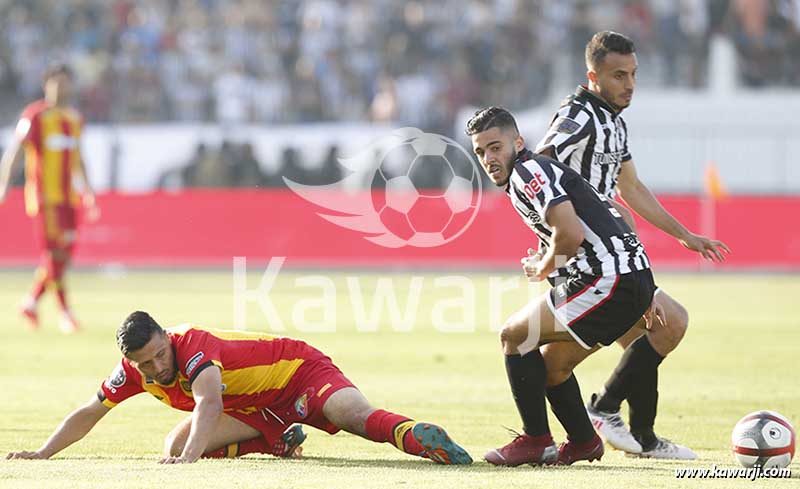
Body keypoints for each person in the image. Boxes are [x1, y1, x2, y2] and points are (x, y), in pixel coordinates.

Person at [535, 31, 729, 460]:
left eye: (633, 74)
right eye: (618, 75)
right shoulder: (579, 115)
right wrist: (563, 228)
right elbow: (541, 166)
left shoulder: (614, 123)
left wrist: (685, 236)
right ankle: (603, 410)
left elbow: (633, 188)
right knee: (668, 322)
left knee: (646, 333)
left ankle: (641, 436)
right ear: (593, 75)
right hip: (590, 261)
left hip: (613, 254)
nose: (629, 84)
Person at [5, 311, 472, 465]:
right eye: (145, 365)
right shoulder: (135, 371)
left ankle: (419, 438)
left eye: (159, 355)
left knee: (351, 416)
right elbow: (90, 410)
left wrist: (187, 464)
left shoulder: (193, 348)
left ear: (167, 339)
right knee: (175, 441)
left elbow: (209, 399)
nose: (157, 369)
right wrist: (43, 454)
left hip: (299, 372)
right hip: (260, 403)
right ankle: (279, 438)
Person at [466, 107, 661, 466]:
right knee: (552, 366)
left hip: (608, 278)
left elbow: (568, 236)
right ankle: (585, 441)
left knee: (515, 336)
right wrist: (644, 284)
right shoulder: (541, 171)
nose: (489, 158)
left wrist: (544, 266)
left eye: (495, 147)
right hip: (629, 277)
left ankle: (536, 440)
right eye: (480, 152)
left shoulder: (527, 172)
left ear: (518, 142)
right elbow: (615, 215)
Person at [0, 63, 99, 333]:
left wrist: (88, 192)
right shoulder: (34, 116)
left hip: (69, 199)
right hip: (45, 198)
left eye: (64, 82)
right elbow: (16, 151)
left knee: (63, 257)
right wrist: (4, 186)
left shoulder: (75, 119)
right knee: (54, 253)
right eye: (55, 82)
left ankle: (30, 302)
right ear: (46, 85)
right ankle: (66, 313)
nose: (60, 87)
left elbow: (80, 158)